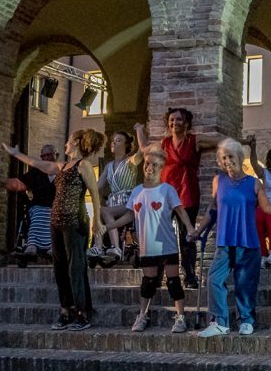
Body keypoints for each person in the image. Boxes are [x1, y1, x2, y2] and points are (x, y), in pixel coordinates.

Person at [3, 129, 106, 331]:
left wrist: (97, 221)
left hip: (75, 221)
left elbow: (94, 193)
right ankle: (66, 310)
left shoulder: (83, 165)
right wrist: (17, 154)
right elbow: (38, 164)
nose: (66, 143)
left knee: (75, 267)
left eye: (69, 140)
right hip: (56, 223)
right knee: (59, 268)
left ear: (77, 143)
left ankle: (83, 313)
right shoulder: (61, 166)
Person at [194, 139, 271, 337]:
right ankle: (219, 322)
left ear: (239, 157)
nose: (227, 161)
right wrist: (197, 231)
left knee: (245, 283)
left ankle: (246, 320)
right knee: (213, 279)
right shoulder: (218, 181)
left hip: (248, 240)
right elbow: (213, 209)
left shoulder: (254, 183)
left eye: (230, 156)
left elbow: (267, 208)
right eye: (223, 158)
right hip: (224, 241)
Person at [105, 145, 194, 333]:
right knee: (148, 282)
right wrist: (108, 226)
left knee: (173, 281)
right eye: (147, 164)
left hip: (167, 244)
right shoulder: (137, 191)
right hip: (147, 246)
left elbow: (180, 210)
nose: (149, 168)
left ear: (161, 167)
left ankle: (180, 317)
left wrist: (190, 228)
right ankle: (142, 315)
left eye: (154, 165)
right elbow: (130, 215)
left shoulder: (167, 190)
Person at [135, 109, 227, 289]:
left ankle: (190, 275)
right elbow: (145, 149)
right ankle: (158, 275)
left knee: (187, 237)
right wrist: (139, 130)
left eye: (178, 119)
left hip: (187, 192)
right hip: (165, 194)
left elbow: (220, 141)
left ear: (186, 123)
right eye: (171, 120)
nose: (174, 123)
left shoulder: (194, 141)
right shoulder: (164, 143)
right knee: (160, 235)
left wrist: (243, 142)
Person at [0, 144, 57, 257]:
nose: (46, 158)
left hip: (57, 206)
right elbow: (19, 184)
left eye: (49, 155)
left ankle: (53, 246)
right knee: (39, 214)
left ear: (56, 155)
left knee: (56, 217)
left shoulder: (62, 170)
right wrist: (1, 182)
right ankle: (32, 244)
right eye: (43, 156)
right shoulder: (36, 172)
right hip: (39, 205)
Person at [90, 131, 141, 260]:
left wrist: (140, 131)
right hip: (113, 204)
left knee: (104, 211)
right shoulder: (108, 166)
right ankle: (98, 247)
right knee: (99, 210)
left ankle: (115, 247)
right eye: (113, 140)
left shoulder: (130, 161)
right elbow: (97, 187)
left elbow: (142, 151)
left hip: (127, 203)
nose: (113, 142)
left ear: (126, 144)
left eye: (118, 140)